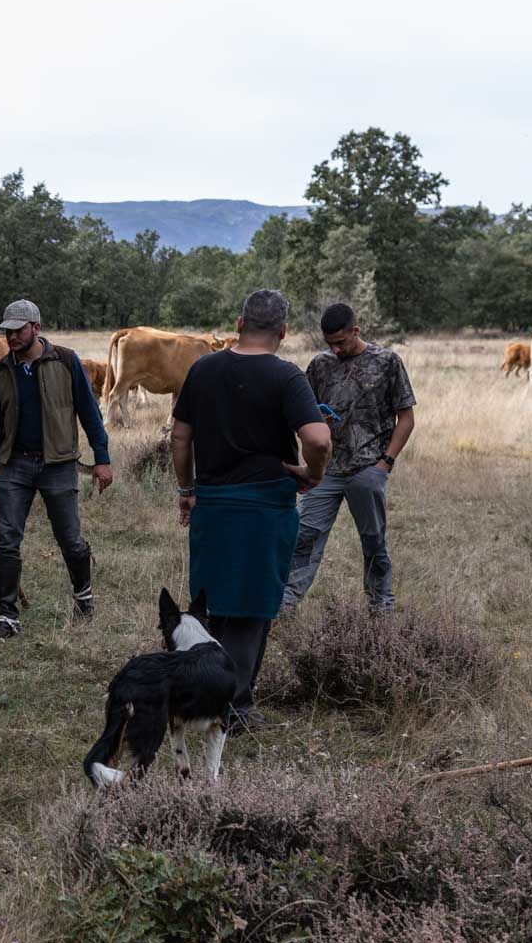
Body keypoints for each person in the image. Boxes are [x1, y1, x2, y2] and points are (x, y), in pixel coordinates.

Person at [170, 289, 331, 734]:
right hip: (265, 509)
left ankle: (195, 696)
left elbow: (180, 438)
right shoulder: (287, 377)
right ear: (282, 331)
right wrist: (311, 474)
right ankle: (234, 710)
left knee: (210, 605)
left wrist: (187, 488)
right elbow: (318, 439)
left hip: (214, 504)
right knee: (252, 611)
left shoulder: (202, 369)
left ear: (239, 324)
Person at [0, 299, 114, 638]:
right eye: (7, 331)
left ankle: (83, 596)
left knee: (70, 538)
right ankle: (8, 616)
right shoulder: (0, 371)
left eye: (18, 331)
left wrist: (102, 458)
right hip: (15, 465)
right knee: (6, 541)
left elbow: (89, 412)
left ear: (36, 328)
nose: (11, 338)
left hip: (59, 464)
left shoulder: (65, 361)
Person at [281, 303, 416, 614]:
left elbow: (406, 418)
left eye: (341, 341)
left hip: (368, 469)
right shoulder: (319, 365)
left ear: (356, 331)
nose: (335, 349)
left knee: (373, 542)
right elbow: (300, 414)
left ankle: (380, 608)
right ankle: (283, 605)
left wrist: (385, 464)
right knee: (304, 536)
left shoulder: (387, 361)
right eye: (329, 342)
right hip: (324, 470)